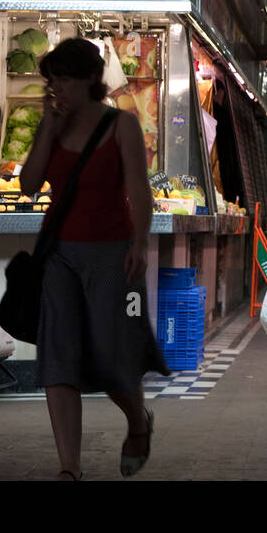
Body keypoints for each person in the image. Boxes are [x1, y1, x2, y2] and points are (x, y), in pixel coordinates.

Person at [19, 38, 170, 481]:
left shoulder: (121, 124)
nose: (56, 89)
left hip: (112, 252)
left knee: (112, 355)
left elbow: (138, 189)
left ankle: (138, 423)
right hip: (59, 254)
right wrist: (47, 127)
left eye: (63, 79)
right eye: (51, 81)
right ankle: (70, 468)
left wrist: (139, 243)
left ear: (88, 79)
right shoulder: (56, 126)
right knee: (58, 359)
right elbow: (28, 184)